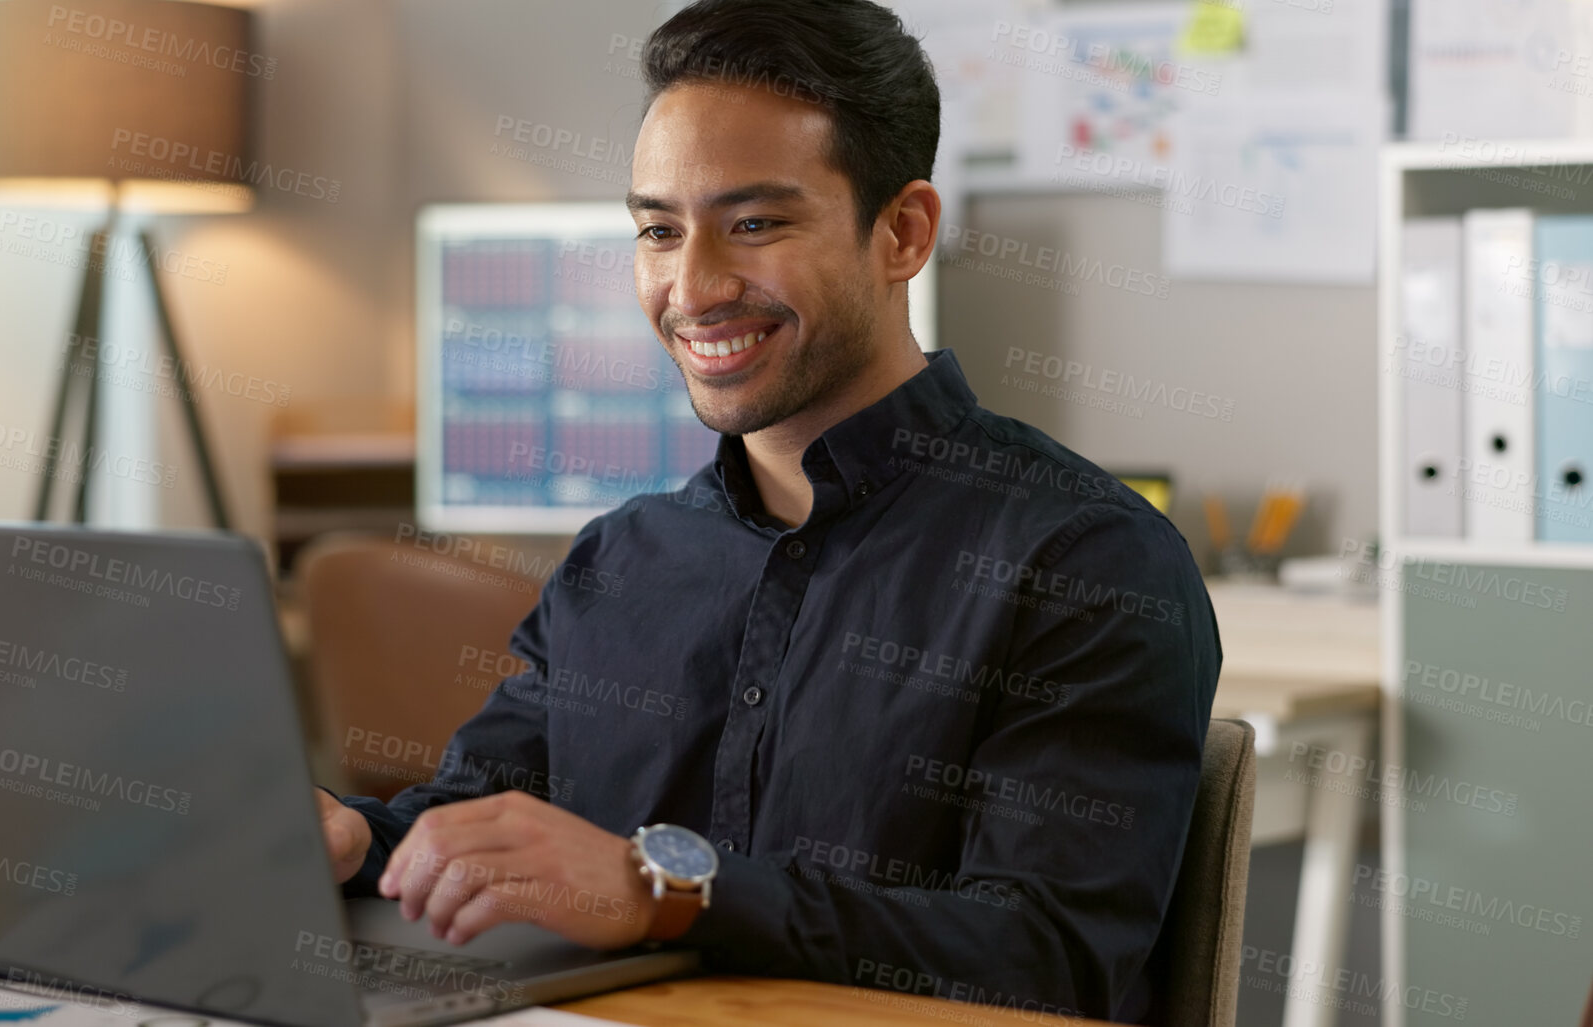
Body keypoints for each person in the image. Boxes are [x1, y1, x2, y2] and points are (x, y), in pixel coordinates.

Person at [316, 0, 1220, 1021]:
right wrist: (357, 838)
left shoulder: (1089, 561)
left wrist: (666, 893)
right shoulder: (619, 561)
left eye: (754, 224)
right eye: (659, 230)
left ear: (903, 232)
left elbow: (1043, 955)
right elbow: (472, 820)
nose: (692, 286)